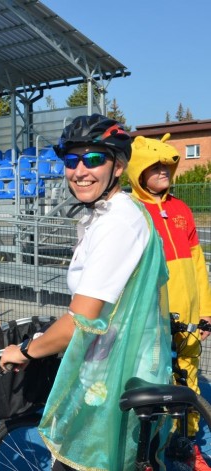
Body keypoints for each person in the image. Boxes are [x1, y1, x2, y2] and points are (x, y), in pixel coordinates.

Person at [0, 114, 172, 471]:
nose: (80, 170)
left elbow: (81, 319)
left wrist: (27, 351)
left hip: (117, 379)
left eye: (94, 159)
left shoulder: (117, 223)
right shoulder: (106, 216)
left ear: (119, 166)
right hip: (108, 371)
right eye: (72, 160)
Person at [128, 134, 211, 469]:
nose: (164, 170)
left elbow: (197, 263)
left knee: (188, 379)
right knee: (152, 384)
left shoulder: (181, 209)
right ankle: (148, 448)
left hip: (189, 317)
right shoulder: (131, 212)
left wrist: (206, 310)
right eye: (155, 165)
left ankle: (185, 444)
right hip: (152, 318)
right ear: (138, 171)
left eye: (167, 165)